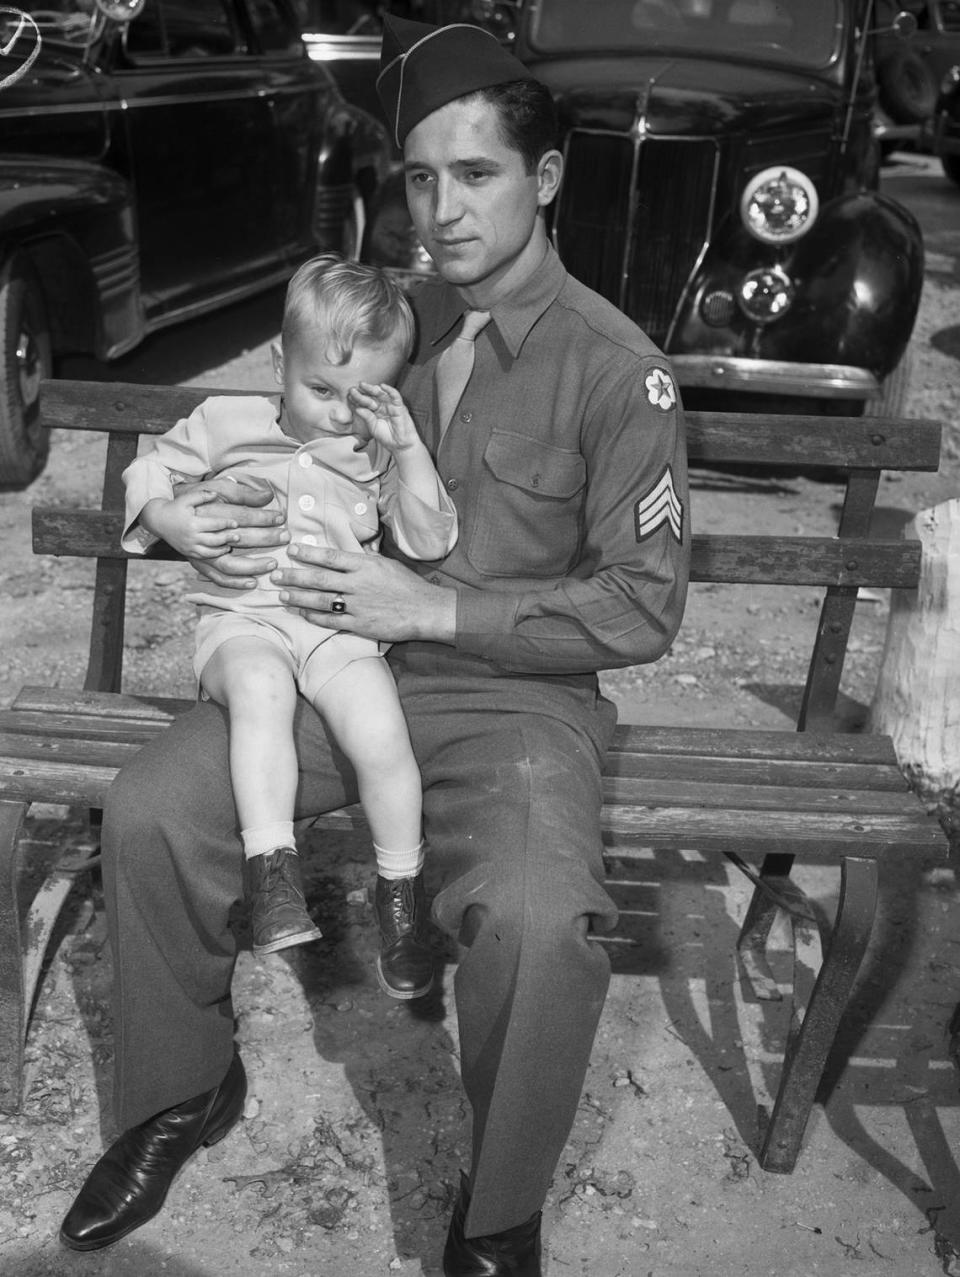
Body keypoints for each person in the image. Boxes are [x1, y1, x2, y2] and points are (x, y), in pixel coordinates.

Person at [59, 15, 691, 1276]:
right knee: (147, 812)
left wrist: (438, 609)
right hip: (326, 663)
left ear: (545, 178)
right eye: (419, 177)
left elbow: (644, 605)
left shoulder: (617, 370)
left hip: (515, 701)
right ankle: (181, 1089)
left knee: (536, 914)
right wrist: (201, 523)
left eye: (476, 174)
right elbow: (250, 447)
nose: (440, 210)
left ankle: (500, 1211)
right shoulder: (381, 319)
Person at [119, 254, 457, 996]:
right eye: (320, 389)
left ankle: (400, 897)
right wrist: (169, 515)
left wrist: (404, 447)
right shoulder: (222, 421)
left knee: (380, 727)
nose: (339, 412)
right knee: (262, 690)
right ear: (279, 361)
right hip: (242, 624)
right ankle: (272, 873)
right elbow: (149, 468)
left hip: (335, 629)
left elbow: (429, 539)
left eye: (359, 396)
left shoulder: (373, 450)